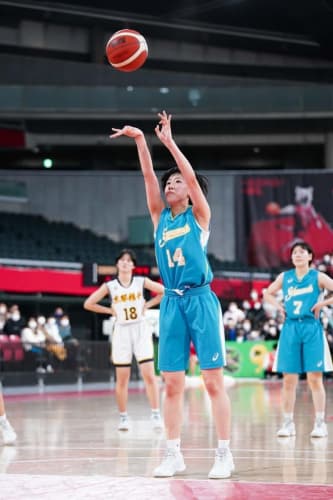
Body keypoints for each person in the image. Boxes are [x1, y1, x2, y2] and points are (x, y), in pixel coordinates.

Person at [110, 111, 233, 479]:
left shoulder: (200, 216)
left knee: (212, 381)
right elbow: (149, 176)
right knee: (173, 383)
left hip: (201, 300)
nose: (171, 185)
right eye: (170, 183)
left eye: (176, 182)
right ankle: (173, 453)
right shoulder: (160, 219)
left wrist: (169, 143)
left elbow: (191, 177)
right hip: (171, 303)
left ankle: (224, 453)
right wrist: (139, 141)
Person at [84, 248, 164, 431]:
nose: (125, 262)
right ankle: (123, 417)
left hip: (141, 329)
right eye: (122, 260)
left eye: (129, 260)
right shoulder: (110, 286)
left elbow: (164, 292)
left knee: (149, 376)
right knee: (122, 379)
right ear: (117, 264)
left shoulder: (141, 281)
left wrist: (148, 304)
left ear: (134, 265)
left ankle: (155, 414)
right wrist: (109, 310)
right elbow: (88, 303)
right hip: (121, 330)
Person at [263, 241, 333, 438]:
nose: (298, 255)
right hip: (290, 328)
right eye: (295, 253)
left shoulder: (318, 276)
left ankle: (320, 423)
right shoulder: (285, 277)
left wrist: (323, 302)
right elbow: (267, 293)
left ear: (310, 256)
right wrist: (278, 306)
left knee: (315, 378)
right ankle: (288, 423)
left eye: (302, 252)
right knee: (288, 379)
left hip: (311, 328)